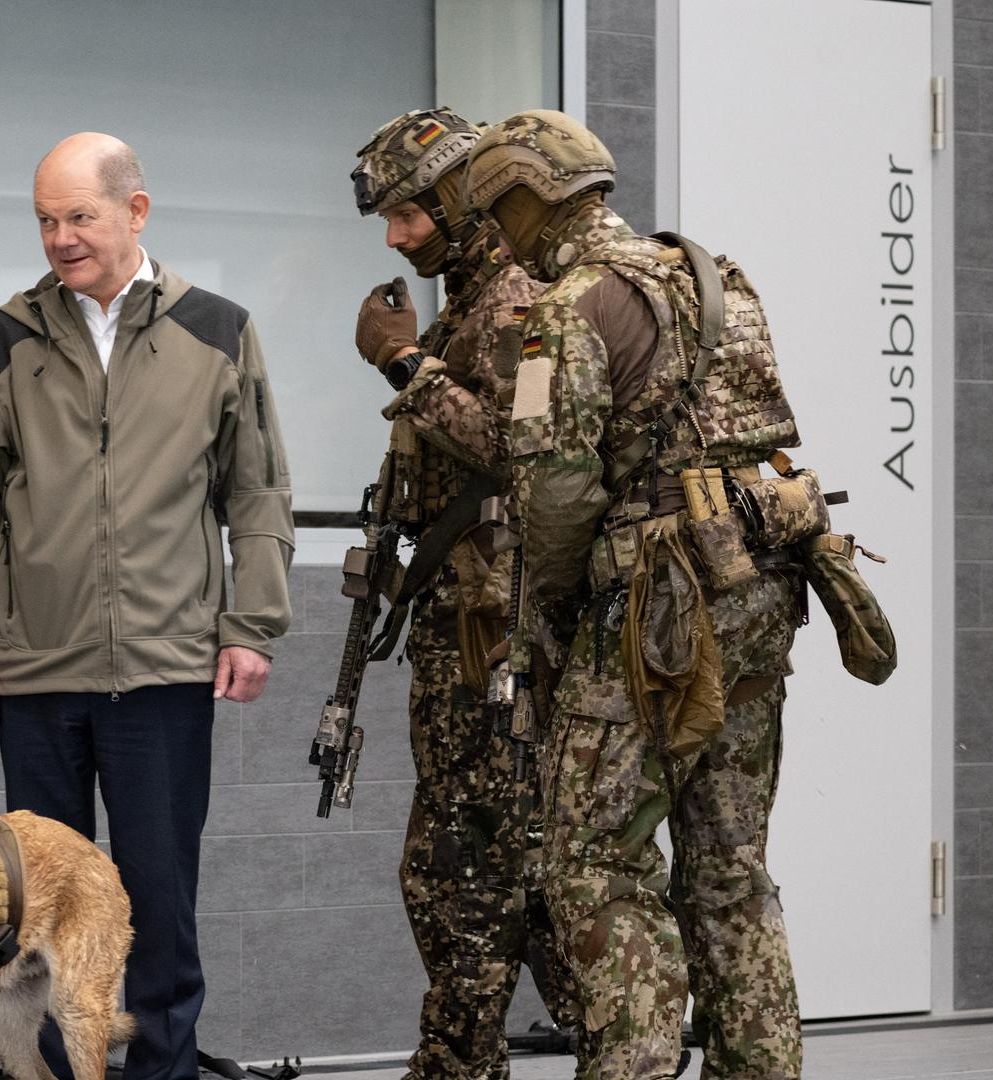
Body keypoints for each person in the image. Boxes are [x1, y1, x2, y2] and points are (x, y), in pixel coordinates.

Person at [0, 132, 293, 1080]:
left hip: (166, 668)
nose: (60, 239)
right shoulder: (2, 341)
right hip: (37, 671)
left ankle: (162, 1074)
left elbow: (255, 492)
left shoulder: (218, 331)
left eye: (80, 217)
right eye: (46, 220)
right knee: (41, 914)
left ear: (137, 211)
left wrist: (251, 623)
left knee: (159, 902)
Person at [465, 110, 806, 1079]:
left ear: (529, 199)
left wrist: (563, 611)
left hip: (651, 614)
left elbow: (557, 493)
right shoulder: (716, 278)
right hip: (757, 588)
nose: (501, 235)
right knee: (732, 873)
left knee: (596, 865)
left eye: (502, 213)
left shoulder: (563, 310)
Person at [349, 107, 586, 1078]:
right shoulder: (464, 303)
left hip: (503, 639)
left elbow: (511, 452)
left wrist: (405, 367)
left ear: (459, 195)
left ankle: (585, 1042)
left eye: (409, 213)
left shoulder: (518, 302)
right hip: (459, 631)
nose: (398, 238)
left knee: (476, 868)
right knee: (479, 868)